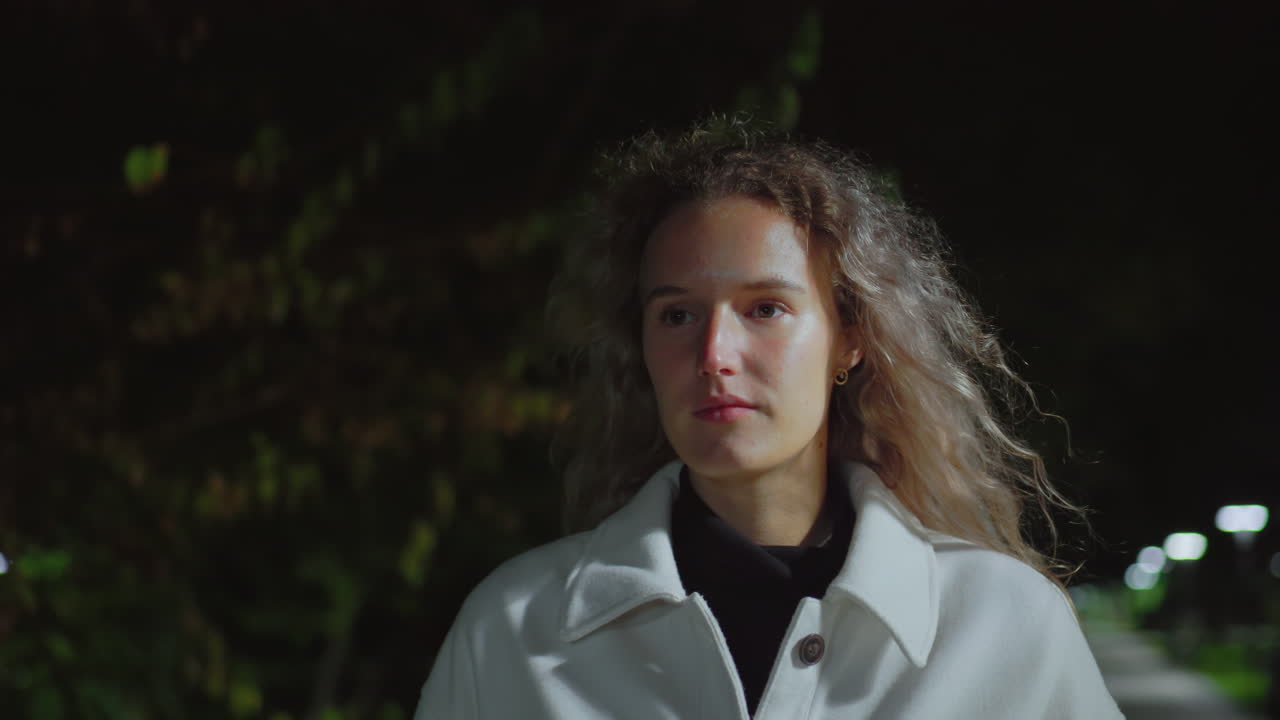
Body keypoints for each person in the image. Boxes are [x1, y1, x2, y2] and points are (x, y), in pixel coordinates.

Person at [414, 118, 1124, 719]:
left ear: (850, 338)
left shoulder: (1003, 624)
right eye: (677, 314)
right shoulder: (512, 627)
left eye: (766, 309)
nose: (714, 353)